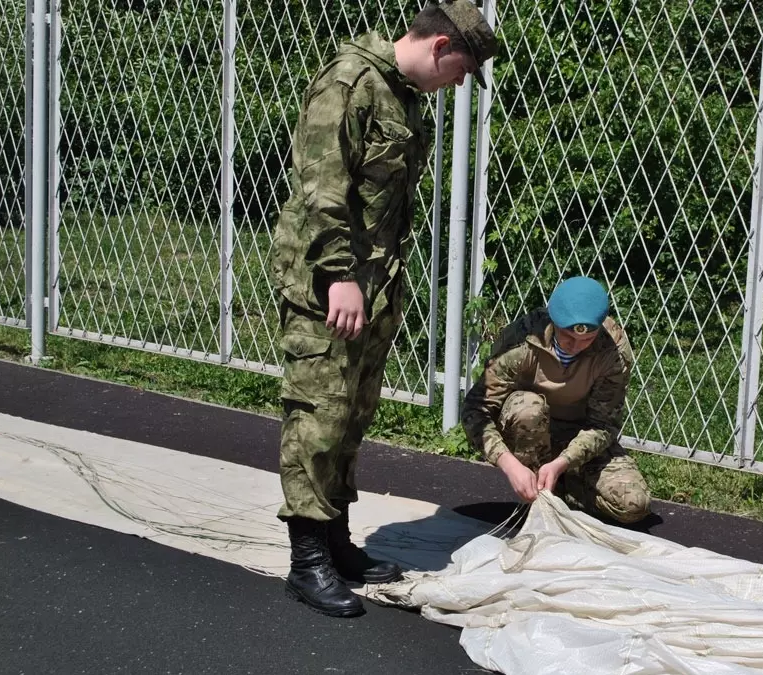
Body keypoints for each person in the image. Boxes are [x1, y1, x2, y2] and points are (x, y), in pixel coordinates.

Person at [268, 1, 498, 618]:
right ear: (442, 46)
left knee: (351, 415)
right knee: (318, 414)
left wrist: (373, 283)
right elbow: (320, 187)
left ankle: (337, 542)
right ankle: (306, 560)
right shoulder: (349, 83)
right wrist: (340, 276)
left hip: (374, 285)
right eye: (462, 70)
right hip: (330, 284)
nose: (458, 84)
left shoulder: (402, 96)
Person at [461, 276, 652, 525]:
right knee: (527, 408)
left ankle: (563, 486)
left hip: (580, 438)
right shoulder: (523, 339)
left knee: (634, 504)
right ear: (553, 321)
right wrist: (508, 464)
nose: (576, 346)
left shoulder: (611, 350)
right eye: (568, 337)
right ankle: (536, 493)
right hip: (529, 430)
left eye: (587, 339)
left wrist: (564, 462)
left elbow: (603, 424)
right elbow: (475, 409)